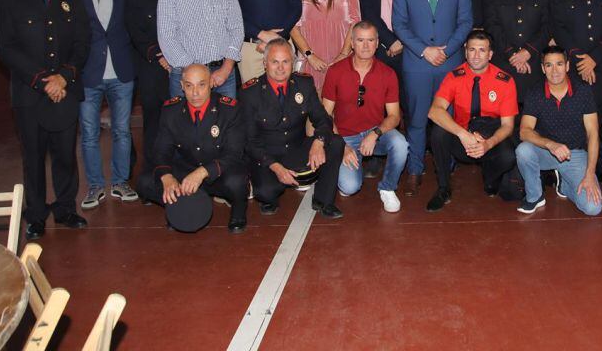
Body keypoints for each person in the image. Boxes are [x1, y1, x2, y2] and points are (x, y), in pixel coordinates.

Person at [0, 0, 90, 240]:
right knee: (33, 158)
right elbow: (6, 49)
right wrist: (42, 81)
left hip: (65, 90)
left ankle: (65, 209)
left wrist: (63, 77)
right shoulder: (8, 0)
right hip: (29, 94)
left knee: (65, 155)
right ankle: (35, 216)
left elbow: (82, 42)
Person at [392, 0, 474, 195]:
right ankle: (415, 170)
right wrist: (423, 50)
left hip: (450, 64)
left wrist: (447, 50)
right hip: (417, 64)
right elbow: (399, 24)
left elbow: (465, 22)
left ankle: (445, 167)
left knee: (448, 119)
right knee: (416, 120)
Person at [240, 39, 346, 218]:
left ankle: (323, 200)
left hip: (296, 149)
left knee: (335, 142)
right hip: (267, 156)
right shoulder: (250, 93)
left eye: (285, 61)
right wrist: (276, 167)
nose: (280, 68)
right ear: (265, 64)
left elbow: (323, 119)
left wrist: (319, 142)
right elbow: (249, 142)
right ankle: (269, 195)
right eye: (275, 62)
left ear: (293, 62)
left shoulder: (303, 84)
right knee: (266, 192)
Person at [137, 63, 249, 233]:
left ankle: (238, 212)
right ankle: (178, 205)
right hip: (186, 170)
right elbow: (161, 150)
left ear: (211, 83)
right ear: (182, 86)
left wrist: (202, 172)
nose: (195, 93)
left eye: (201, 85)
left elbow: (233, 154)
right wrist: (167, 176)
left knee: (238, 182)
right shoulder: (171, 110)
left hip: (216, 172)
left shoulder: (229, 109)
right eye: (189, 86)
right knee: (144, 182)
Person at [71, 0, 137, 210]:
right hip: (88, 74)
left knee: (122, 131)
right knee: (89, 133)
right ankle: (95, 186)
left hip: (122, 73)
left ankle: (120, 182)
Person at [425, 31, 519, 211]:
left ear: (490, 54)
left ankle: (491, 180)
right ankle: (444, 188)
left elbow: (507, 126)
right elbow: (434, 111)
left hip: (490, 136)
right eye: (472, 50)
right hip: (463, 138)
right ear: (465, 52)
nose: (476, 56)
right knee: (438, 133)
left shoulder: (505, 81)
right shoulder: (454, 76)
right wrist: (463, 134)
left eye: (482, 50)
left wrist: (488, 144)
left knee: (508, 156)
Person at [321, 21, 408, 212]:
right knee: (349, 187)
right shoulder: (336, 71)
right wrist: (342, 147)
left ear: (377, 43)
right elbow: (325, 116)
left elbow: (394, 116)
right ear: (352, 43)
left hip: (374, 134)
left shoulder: (388, 73)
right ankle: (347, 167)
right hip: (344, 137)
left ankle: (387, 188)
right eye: (360, 40)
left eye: (370, 40)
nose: (366, 45)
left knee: (401, 143)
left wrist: (375, 133)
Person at [515, 45, 602, 215]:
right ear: (542, 68)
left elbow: (593, 134)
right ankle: (535, 196)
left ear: (568, 66)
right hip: (546, 151)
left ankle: (564, 184)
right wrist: (550, 145)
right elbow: (524, 131)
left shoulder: (583, 91)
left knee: (593, 208)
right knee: (523, 150)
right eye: (549, 65)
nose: (555, 70)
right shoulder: (535, 93)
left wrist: (590, 174)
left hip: (575, 154)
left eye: (559, 64)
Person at [126, 0, 177, 176]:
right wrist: (160, 56)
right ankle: (153, 177)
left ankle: (180, 172)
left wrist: (178, 57)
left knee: (182, 121)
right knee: (154, 124)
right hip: (152, 67)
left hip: (183, 66)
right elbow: (135, 30)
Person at [483, 0, 551, 103]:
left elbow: (548, 24)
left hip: (534, 62)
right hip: (504, 61)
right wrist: (513, 54)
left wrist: (528, 51)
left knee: (533, 117)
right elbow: (491, 24)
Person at [290, 0, 361, 94]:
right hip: (310, 61)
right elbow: (293, 27)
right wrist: (310, 56)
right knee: (311, 111)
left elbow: (355, 22)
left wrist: (343, 55)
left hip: (342, 59)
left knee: (341, 109)